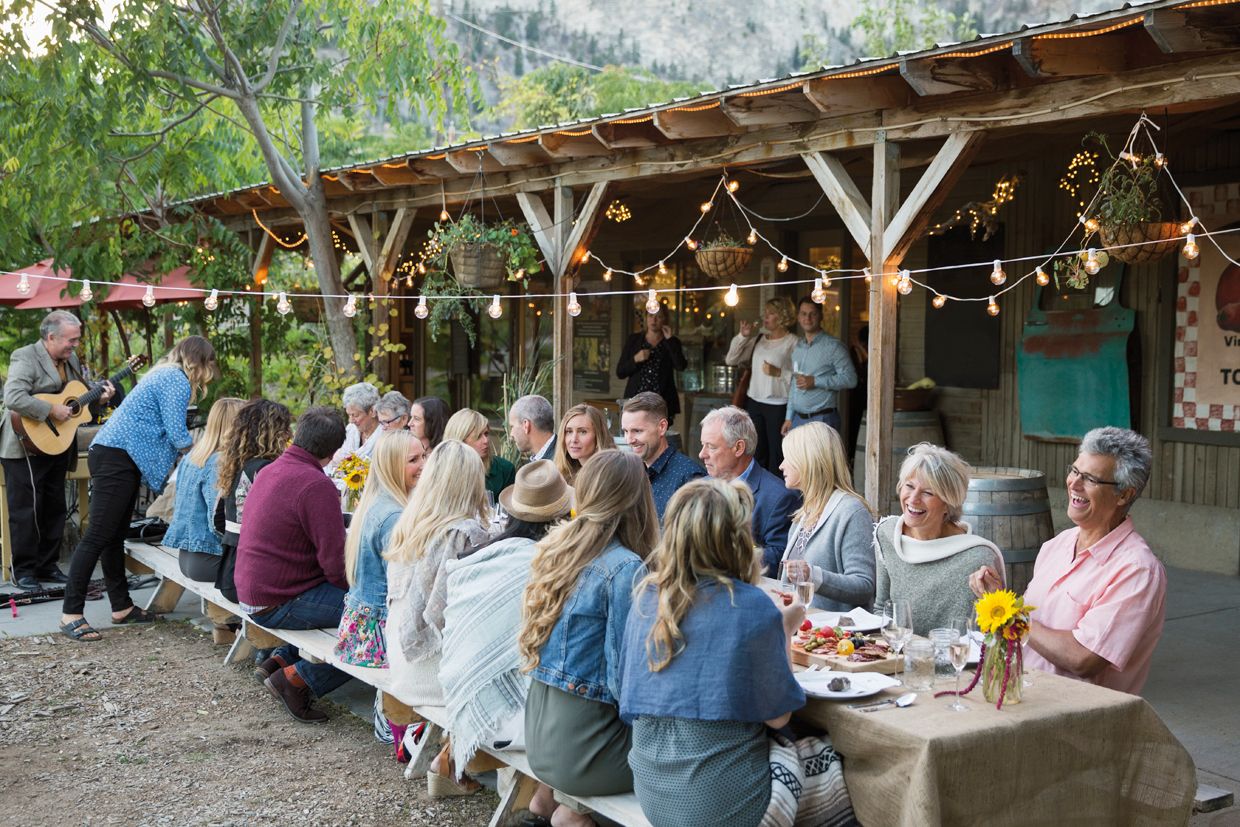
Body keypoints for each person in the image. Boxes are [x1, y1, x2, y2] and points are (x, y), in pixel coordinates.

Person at [620, 478, 854, 827]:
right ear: (735, 540)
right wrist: (784, 631)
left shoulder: (647, 598)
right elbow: (779, 717)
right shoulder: (750, 606)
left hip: (653, 790)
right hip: (724, 802)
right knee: (836, 766)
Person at [520, 450, 658, 826]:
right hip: (584, 750)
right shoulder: (625, 568)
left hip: (540, 735)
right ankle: (571, 814)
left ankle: (555, 804)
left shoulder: (557, 549)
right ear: (638, 500)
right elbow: (626, 686)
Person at [970, 427, 1165, 695]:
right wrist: (998, 600)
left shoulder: (1137, 569)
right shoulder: (1058, 544)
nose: (1074, 483)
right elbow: (1033, 630)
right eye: (1074, 471)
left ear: (1124, 495)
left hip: (1079, 719)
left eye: (1091, 479)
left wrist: (1009, 613)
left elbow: (1083, 658)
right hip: (1025, 697)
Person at [59, 336, 214, 642]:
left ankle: (122, 607)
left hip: (117, 454)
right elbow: (177, 432)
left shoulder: (164, 373)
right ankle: (70, 613)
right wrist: (206, 453)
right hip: (117, 456)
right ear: (201, 361)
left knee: (114, 536)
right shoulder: (176, 379)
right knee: (99, 535)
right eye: (210, 364)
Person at [439, 460, 573, 782]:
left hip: (460, 695)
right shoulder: (546, 568)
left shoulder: (483, 556)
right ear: (560, 518)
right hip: (512, 722)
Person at [384, 439, 490, 795]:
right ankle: (511, 786)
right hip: (431, 674)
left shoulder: (409, 521)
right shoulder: (465, 533)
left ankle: (448, 760)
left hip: (400, 659)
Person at [236, 406, 351, 723]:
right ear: (333, 451)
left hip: (251, 590)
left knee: (360, 610)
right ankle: (298, 679)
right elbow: (334, 565)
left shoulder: (270, 470)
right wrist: (357, 592)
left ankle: (279, 659)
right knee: (375, 621)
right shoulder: (316, 485)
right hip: (277, 600)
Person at [1, 310, 118, 590]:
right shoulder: (25, 356)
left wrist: (99, 398)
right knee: (26, 510)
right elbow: (13, 397)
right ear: (51, 337)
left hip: (57, 444)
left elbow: (77, 404)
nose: (75, 345)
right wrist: (50, 409)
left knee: (55, 507)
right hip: (24, 443)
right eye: (71, 340)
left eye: (77, 340)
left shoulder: (70, 359)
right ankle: (24, 571)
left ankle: (47, 565)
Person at [875, 443, 1003, 635]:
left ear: (948, 503)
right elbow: (881, 610)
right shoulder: (887, 534)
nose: (913, 499)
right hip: (897, 658)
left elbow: (989, 633)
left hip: (956, 662)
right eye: (909, 486)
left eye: (927, 492)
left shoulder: (977, 558)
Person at [334, 430, 425, 668]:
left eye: (423, 457)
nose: (423, 465)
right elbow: (404, 586)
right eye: (413, 460)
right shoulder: (394, 516)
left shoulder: (376, 500)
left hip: (358, 625)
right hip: (377, 636)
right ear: (393, 466)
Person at [779, 422, 876, 612]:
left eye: (787, 458)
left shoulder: (852, 512)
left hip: (836, 637)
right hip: (804, 630)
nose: (781, 466)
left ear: (808, 461)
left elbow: (864, 586)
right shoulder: (804, 514)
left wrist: (813, 575)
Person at [698, 405, 800, 576]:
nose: (702, 454)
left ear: (738, 448)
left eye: (712, 447)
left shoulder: (779, 497)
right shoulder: (702, 486)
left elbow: (779, 559)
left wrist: (719, 556)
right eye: (703, 445)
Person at [212, 399, 292, 603]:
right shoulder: (266, 471)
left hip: (229, 573)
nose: (290, 435)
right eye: (285, 429)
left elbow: (218, 520)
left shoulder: (234, 465)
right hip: (251, 580)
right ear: (272, 433)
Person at [166, 396, 244, 582]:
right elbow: (216, 523)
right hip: (210, 558)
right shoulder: (219, 462)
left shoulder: (194, 455)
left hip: (187, 556)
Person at [725, 297, 797, 474]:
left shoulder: (793, 342)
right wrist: (743, 336)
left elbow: (799, 378)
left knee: (777, 456)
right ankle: (756, 495)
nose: (766, 317)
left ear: (783, 317)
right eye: (765, 312)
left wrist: (779, 373)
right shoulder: (759, 340)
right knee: (756, 453)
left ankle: (777, 496)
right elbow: (731, 359)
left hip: (778, 405)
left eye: (771, 313)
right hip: (754, 403)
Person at [620, 392, 703, 521]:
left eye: (637, 431)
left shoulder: (690, 477)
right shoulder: (631, 472)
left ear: (662, 427)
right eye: (625, 431)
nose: (629, 440)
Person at [781, 297, 857, 437]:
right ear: (798, 317)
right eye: (803, 314)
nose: (808, 318)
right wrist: (789, 417)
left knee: (822, 460)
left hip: (822, 419)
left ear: (821, 316)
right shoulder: (798, 347)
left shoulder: (834, 346)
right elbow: (794, 383)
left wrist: (816, 381)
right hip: (797, 420)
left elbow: (850, 379)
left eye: (813, 314)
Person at [616, 305, 687, 426]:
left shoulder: (671, 342)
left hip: (662, 402)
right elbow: (620, 372)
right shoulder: (634, 340)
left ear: (664, 319)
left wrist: (669, 340)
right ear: (645, 318)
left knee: (659, 438)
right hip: (636, 400)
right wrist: (635, 359)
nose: (654, 320)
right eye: (650, 316)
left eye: (658, 317)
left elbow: (681, 366)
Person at [444, 408, 515, 503]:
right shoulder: (440, 469)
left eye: (486, 434)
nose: (486, 441)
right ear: (460, 440)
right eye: (478, 436)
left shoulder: (505, 469)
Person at [553, 402, 616, 485]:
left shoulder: (609, 476)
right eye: (569, 431)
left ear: (598, 436)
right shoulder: (563, 475)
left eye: (583, 432)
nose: (574, 439)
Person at [331, 382, 382, 469]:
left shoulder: (385, 436)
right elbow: (336, 460)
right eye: (349, 415)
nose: (350, 421)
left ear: (372, 412)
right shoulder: (351, 430)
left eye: (355, 415)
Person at [508, 394, 556, 462]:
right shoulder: (558, 456)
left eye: (512, 426)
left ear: (526, 425)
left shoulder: (561, 463)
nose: (511, 434)